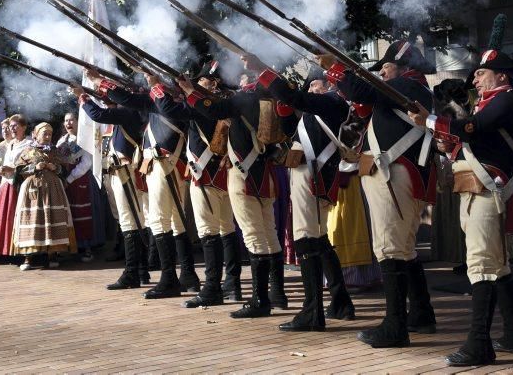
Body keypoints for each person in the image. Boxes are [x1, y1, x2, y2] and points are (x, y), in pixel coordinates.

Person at [410, 49, 513, 366]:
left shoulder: (505, 100)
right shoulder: (492, 101)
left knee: (481, 265)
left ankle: (479, 344)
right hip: (475, 188)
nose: (474, 77)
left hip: (489, 189)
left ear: (501, 76)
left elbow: (473, 128)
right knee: (496, 265)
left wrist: (431, 119)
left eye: (481, 72)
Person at [318, 40, 437, 348]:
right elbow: (359, 103)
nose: (382, 72)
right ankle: (421, 312)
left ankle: (395, 326)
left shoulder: (411, 85)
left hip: (394, 176)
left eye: (387, 66)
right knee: (404, 249)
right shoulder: (403, 88)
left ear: (405, 66)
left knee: (389, 249)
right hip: (393, 176)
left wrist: (334, 66)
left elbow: (359, 91)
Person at [249, 58, 355, 332]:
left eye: (317, 84)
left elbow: (294, 97)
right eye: (311, 86)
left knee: (307, 240)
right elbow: (287, 131)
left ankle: (312, 313)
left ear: (329, 84)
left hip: (315, 176)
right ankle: (340, 303)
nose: (313, 89)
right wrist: (284, 109)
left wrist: (263, 69)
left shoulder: (334, 102)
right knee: (317, 239)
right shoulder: (313, 109)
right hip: (306, 174)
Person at [177, 61, 288, 319]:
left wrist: (188, 90)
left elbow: (213, 108)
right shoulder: (268, 101)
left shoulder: (243, 100)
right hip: (264, 175)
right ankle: (277, 294)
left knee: (253, 237)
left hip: (244, 176)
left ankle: (260, 300)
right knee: (269, 235)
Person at [86, 69, 200, 299]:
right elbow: (125, 98)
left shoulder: (174, 106)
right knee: (172, 222)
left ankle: (171, 278)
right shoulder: (157, 105)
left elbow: (127, 100)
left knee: (162, 221)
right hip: (161, 167)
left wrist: (97, 82)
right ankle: (185, 275)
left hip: (167, 166)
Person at [151, 60, 241, 309]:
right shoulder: (226, 102)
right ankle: (232, 283)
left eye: (201, 81)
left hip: (206, 175)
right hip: (222, 175)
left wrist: (155, 86)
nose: (195, 85)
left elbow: (168, 109)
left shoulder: (204, 105)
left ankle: (212, 287)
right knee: (226, 229)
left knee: (208, 232)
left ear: (210, 85)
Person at [71, 86, 150, 289]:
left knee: (129, 222)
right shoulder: (126, 113)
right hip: (120, 173)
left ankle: (133, 272)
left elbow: (97, 114)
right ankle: (141, 271)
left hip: (125, 173)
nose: (107, 102)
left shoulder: (128, 112)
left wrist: (82, 97)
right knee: (131, 222)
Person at [12, 122, 76, 270]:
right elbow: (18, 171)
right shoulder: (28, 150)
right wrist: (34, 167)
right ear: (35, 134)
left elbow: (65, 170)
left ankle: (52, 254)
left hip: (53, 191)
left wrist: (56, 168)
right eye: (44, 134)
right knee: (32, 220)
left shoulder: (56, 151)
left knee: (53, 218)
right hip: (32, 191)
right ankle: (28, 257)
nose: (47, 137)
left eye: (49, 134)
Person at [0, 114, 33, 256]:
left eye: (15, 126)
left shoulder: (29, 144)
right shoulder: (10, 144)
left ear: (24, 127)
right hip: (6, 184)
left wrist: (12, 170)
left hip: (20, 185)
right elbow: (8, 162)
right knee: (6, 218)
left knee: (19, 217)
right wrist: (2, 168)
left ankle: (22, 251)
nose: (12, 129)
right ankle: (8, 250)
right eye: (11, 126)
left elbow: (31, 167)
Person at [56, 112, 96, 263]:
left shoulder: (84, 140)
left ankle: (87, 248)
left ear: (78, 121)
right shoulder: (61, 141)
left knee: (82, 213)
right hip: (66, 181)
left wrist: (70, 178)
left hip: (80, 180)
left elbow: (86, 163)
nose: (68, 123)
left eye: (71, 120)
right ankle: (72, 246)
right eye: (66, 121)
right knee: (69, 213)